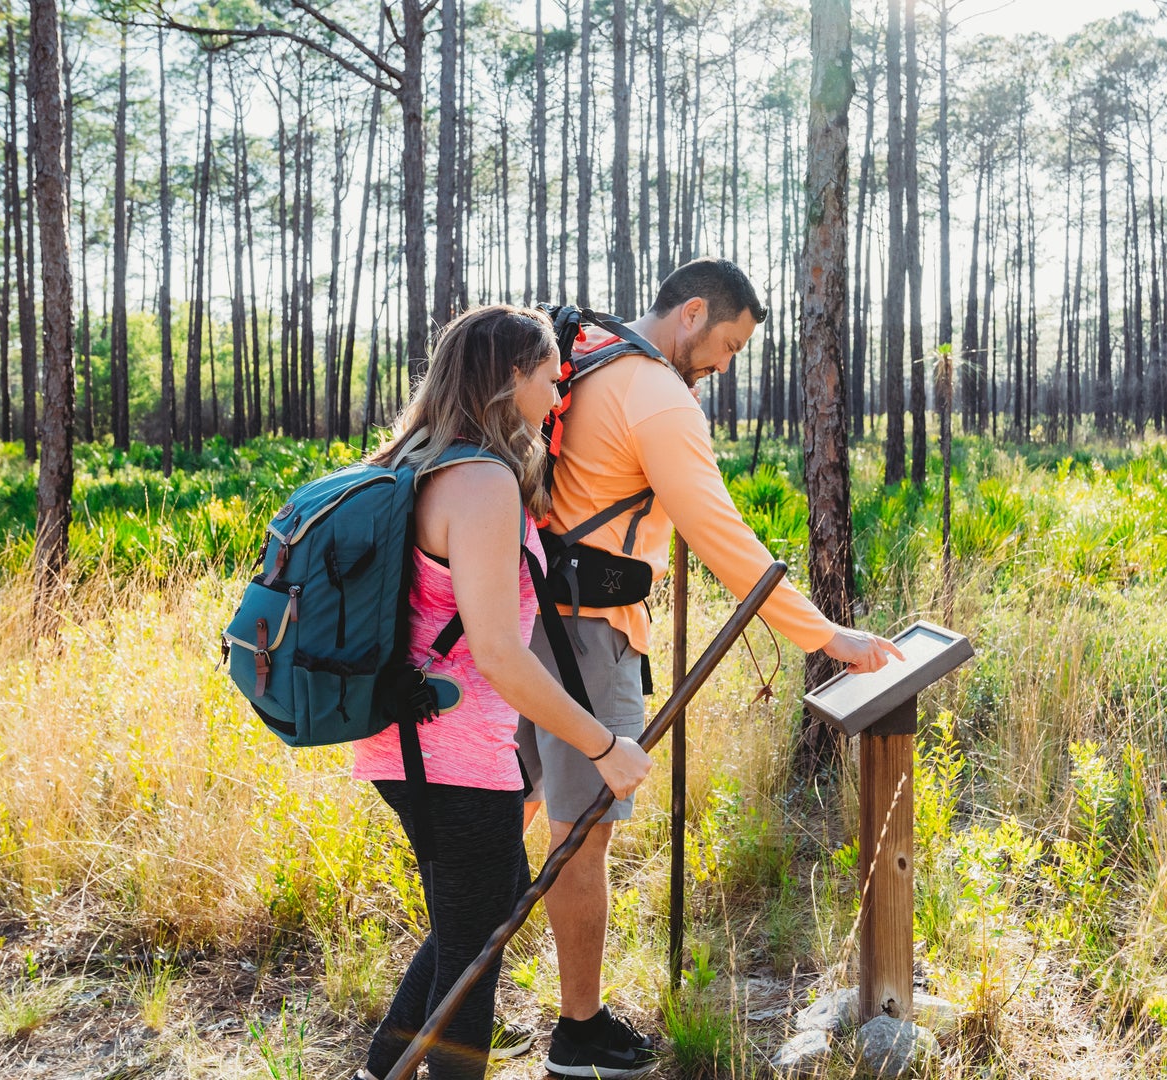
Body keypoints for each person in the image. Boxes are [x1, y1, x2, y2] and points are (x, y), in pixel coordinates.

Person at [516, 257, 901, 1079]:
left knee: (506, 814)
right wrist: (824, 636)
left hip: (529, 623)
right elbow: (723, 535)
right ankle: (580, 1033)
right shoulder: (655, 390)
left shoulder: (588, 357)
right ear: (691, 313)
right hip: (589, 636)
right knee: (581, 838)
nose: (726, 365)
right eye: (726, 344)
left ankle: (453, 983)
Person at [350, 305, 653, 1080]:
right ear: (511, 374)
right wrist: (604, 746)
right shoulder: (482, 483)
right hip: (450, 750)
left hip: (411, 740)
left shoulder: (418, 458)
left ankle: (381, 1069)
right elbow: (499, 655)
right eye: (552, 376)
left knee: (479, 915)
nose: (559, 397)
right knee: (475, 951)